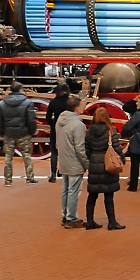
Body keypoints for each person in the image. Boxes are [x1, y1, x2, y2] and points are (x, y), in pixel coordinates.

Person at [84, 107, 125, 230]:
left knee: (92, 195)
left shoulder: (89, 132)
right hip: (107, 165)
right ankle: (112, 222)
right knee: (108, 196)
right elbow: (117, 148)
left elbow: (87, 150)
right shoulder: (110, 131)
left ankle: (90, 221)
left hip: (94, 165)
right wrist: (121, 159)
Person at [55, 96, 88, 229]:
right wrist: (86, 163)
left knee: (66, 190)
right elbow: (80, 148)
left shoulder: (60, 120)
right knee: (73, 191)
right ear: (77, 108)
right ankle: (71, 218)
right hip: (74, 162)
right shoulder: (78, 125)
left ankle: (65, 215)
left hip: (63, 160)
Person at [0, 82, 37, 186]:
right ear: (20, 89)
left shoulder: (2, 104)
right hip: (23, 132)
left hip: (9, 133)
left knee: (8, 158)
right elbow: (31, 120)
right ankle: (30, 178)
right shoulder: (27, 102)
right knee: (26, 156)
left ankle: (8, 180)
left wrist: (2, 132)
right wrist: (31, 131)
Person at [45, 83, 71, 183]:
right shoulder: (70, 102)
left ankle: (53, 175)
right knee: (66, 151)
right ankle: (63, 171)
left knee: (54, 152)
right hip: (68, 127)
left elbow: (48, 117)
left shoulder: (53, 102)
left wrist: (52, 124)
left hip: (56, 127)